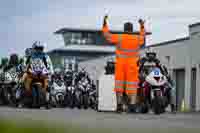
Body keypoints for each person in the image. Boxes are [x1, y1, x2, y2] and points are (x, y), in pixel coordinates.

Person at [102, 15, 146, 113]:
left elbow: (107, 35)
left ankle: (119, 106)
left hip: (121, 65)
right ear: (132, 29)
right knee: (133, 86)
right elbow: (143, 35)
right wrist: (142, 25)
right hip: (132, 66)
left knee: (119, 86)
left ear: (124, 29)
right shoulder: (137, 38)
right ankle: (133, 106)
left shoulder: (119, 37)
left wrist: (104, 23)